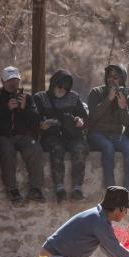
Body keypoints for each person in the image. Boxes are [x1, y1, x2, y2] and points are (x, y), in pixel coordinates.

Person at [0, 66, 45, 203]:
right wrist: (6, 108)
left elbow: (36, 120)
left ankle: (35, 189)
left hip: (21, 136)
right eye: (9, 81)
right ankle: (12, 189)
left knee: (35, 148)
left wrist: (24, 108)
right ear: (2, 81)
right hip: (0, 135)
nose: (13, 84)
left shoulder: (27, 98)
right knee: (7, 149)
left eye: (15, 80)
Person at [34, 70, 89, 203]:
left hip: (71, 135)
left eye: (66, 88)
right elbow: (33, 118)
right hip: (51, 136)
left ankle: (77, 188)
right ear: (53, 84)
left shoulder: (74, 97)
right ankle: (59, 189)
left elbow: (84, 117)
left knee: (80, 148)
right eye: (60, 86)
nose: (62, 90)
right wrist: (41, 125)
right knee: (57, 149)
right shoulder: (40, 98)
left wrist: (79, 121)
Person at [88, 64, 129, 197]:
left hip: (116, 135)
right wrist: (108, 99)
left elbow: (127, 123)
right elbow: (93, 116)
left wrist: (122, 107)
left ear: (122, 79)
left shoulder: (126, 96)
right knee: (108, 148)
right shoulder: (96, 92)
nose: (111, 80)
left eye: (115, 77)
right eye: (109, 76)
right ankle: (111, 189)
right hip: (97, 133)